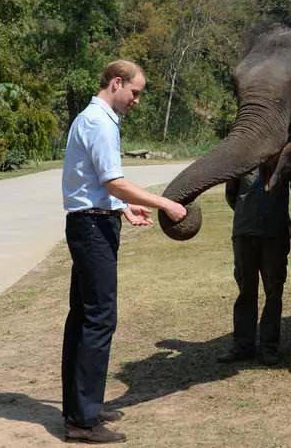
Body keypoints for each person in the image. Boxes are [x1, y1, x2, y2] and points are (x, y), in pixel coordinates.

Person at [61, 60, 187, 443]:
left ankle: (82, 408)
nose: (136, 100)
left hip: (92, 221)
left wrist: (123, 209)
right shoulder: (99, 122)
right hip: (92, 229)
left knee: (83, 317)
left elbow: (96, 187)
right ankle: (83, 422)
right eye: (135, 92)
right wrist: (164, 203)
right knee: (99, 319)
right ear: (116, 83)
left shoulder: (92, 118)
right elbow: (112, 181)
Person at [218, 168, 290, 366]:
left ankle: (268, 347)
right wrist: (248, 212)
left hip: (275, 234)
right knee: (245, 291)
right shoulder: (242, 162)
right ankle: (243, 346)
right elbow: (231, 195)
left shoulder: (282, 161)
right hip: (244, 233)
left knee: (273, 293)